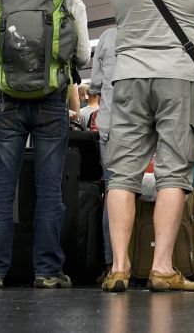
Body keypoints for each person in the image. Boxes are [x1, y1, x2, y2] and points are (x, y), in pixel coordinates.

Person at [104, 0, 194, 293]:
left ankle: (118, 266)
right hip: (178, 76)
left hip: (129, 74)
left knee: (122, 174)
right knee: (173, 173)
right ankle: (163, 268)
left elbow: (123, 11)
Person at [0, 0, 91, 289]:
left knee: (1, 189)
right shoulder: (70, 0)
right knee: (48, 188)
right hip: (51, 102)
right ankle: (47, 271)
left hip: (8, 103)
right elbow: (84, 56)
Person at [88, 26, 117, 279]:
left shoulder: (107, 37)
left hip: (111, 128)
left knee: (114, 194)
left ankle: (113, 265)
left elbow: (95, 85)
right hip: (146, 128)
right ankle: (155, 262)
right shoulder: (154, 30)